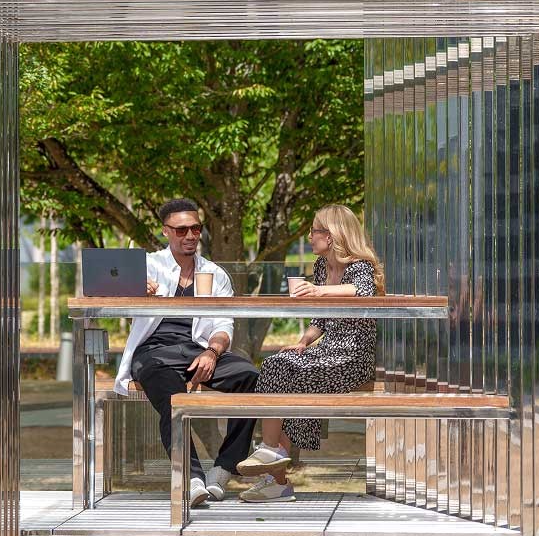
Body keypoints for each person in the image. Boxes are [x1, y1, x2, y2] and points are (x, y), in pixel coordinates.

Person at [115, 198, 259, 507]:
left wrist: (212, 353)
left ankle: (223, 468)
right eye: (181, 230)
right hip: (153, 352)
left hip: (196, 351)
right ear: (165, 231)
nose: (190, 236)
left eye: (195, 228)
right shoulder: (147, 266)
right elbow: (104, 294)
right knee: (172, 396)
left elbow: (224, 325)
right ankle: (192, 478)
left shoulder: (215, 274)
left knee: (249, 376)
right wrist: (132, 290)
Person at [236, 204, 384, 503]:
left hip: (354, 358)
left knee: (294, 380)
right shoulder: (320, 267)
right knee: (276, 364)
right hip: (326, 351)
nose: (309, 236)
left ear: (331, 235)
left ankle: (274, 474)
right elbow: (320, 319)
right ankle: (272, 455)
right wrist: (303, 342)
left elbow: (363, 291)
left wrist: (319, 291)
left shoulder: (360, 266)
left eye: (314, 231)